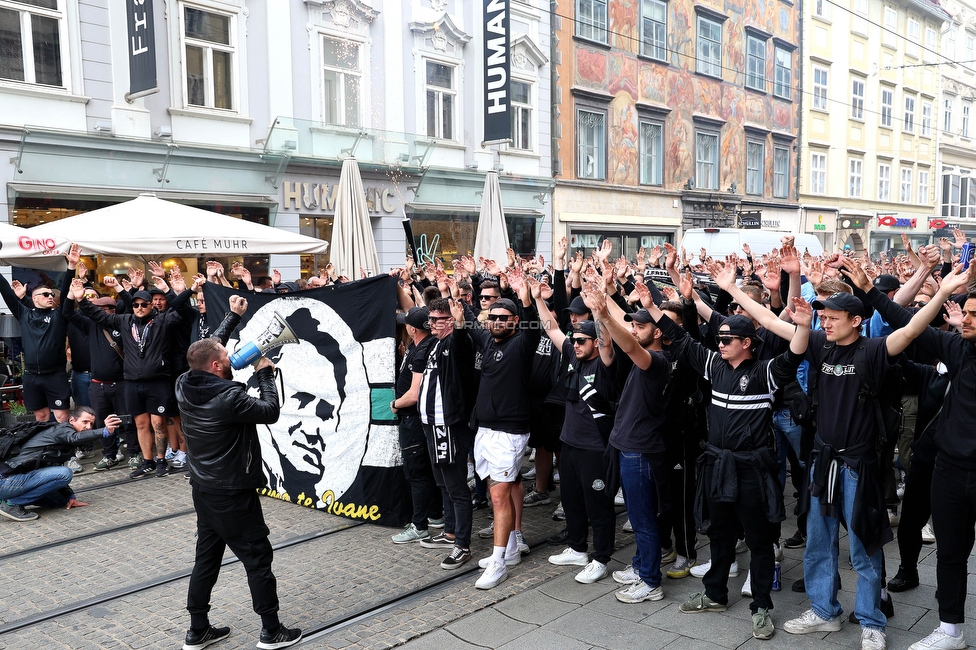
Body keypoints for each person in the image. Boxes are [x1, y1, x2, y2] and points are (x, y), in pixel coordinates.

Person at [772, 258, 971, 650]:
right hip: (822, 462)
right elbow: (771, 322)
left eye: (832, 317)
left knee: (864, 547)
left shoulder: (875, 350)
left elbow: (912, 327)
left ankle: (871, 621)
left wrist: (943, 292)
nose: (825, 323)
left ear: (855, 320)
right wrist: (735, 290)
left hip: (857, 466)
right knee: (818, 542)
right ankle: (824, 611)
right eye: (822, 317)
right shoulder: (816, 345)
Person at [652, 267, 812, 641]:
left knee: (758, 541)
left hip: (752, 468)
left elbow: (793, 356)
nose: (721, 343)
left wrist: (802, 326)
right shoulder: (714, 366)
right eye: (720, 338)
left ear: (748, 343)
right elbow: (681, 339)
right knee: (720, 535)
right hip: (718, 465)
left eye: (729, 339)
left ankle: (760, 608)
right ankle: (715, 593)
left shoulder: (765, 373)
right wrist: (654, 305)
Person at [175, 295, 302, 650]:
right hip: (233, 491)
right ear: (217, 367)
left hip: (204, 489)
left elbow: (208, 348)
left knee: (207, 559)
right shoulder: (230, 398)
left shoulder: (184, 383)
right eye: (227, 359)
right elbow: (270, 410)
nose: (231, 359)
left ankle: (197, 630)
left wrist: (232, 317)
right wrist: (264, 373)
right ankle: (272, 631)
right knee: (257, 558)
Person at [580, 281, 671, 605]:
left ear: (658, 332)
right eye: (633, 324)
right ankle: (640, 566)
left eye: (641, 326)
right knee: (637, 514)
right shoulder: (643, 359)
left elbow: (631, 346)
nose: (634, 329)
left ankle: (650, 581)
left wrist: (603, 312)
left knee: (644, 520)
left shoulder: (657, 362)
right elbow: (623, 335)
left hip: (641, 452)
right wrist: (599, 308)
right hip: (627, 447)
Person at [76, 272, 198, 479]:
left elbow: (183, 311)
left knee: (158, 423)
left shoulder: (162, 321)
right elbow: (98, 316)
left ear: (153, 305)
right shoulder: (124, 321)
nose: (139, 308)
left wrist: (178, 291)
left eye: (144, 304)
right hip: (132, 382)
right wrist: (81, 299)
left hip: (157, 381)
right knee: (140, 423)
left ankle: (161, 460)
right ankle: (148, 461)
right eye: (136, 305)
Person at [0, 243, 81, 423]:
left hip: (55, 375)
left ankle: (65, 449)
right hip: (31, 376)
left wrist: (71, 267)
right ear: (34, 298)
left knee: (62, 416)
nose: (50, 296)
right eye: (45, 294)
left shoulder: (59, 315)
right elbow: (5, 290)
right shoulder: (24, 314)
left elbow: (67, 291)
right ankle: (44, 450)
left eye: (51, 294)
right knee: (41, 417)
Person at [0, 407, 120, 521]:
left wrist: (70, 496)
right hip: (5, 480)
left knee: (60, 501)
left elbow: (51, 470)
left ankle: (7, 499)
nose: (88, 427)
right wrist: (105, 431)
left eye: (91, 424)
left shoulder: (64, 439)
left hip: (18, 479)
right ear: (72, 420)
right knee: (65, 473)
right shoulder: (62, 431)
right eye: (85, 422)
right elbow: (75, 438)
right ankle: (11, 504)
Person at [389, 306, 442, 544]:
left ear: (412, 330)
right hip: (420, 419)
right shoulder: (426, 345)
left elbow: (414, 394)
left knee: (417, 473)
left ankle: (419, 525)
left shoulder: (422, 351)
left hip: (412, 419)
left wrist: (395, 404)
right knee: (427, 471)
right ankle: (435, 515)